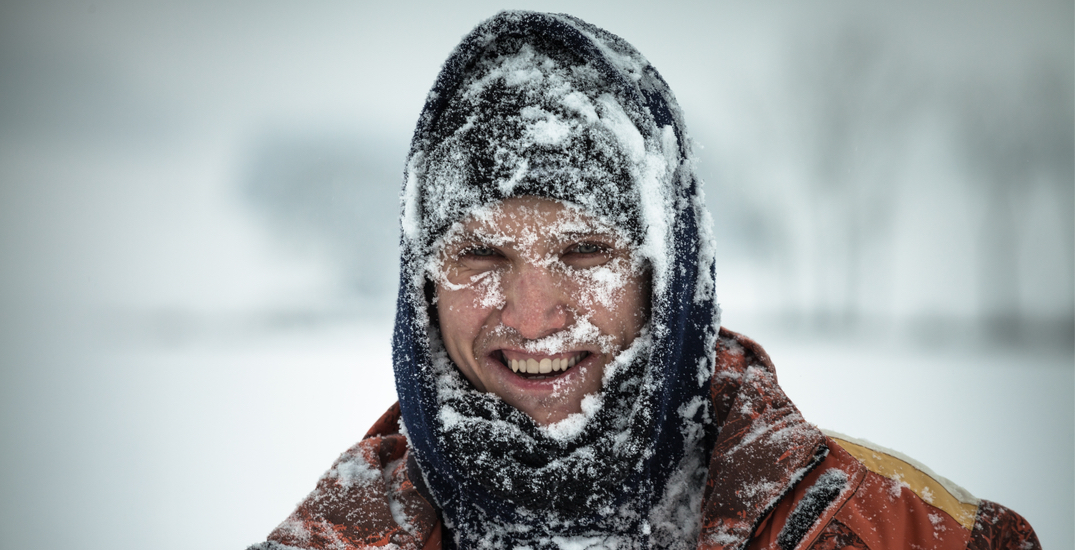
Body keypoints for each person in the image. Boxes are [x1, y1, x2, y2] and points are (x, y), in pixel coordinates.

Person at [248, 11, 1039, 550]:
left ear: (671, 275)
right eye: (480, 257)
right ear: (421, 284)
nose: (530, 317)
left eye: (587, 252)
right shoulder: (340, 534)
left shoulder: (878, 528)